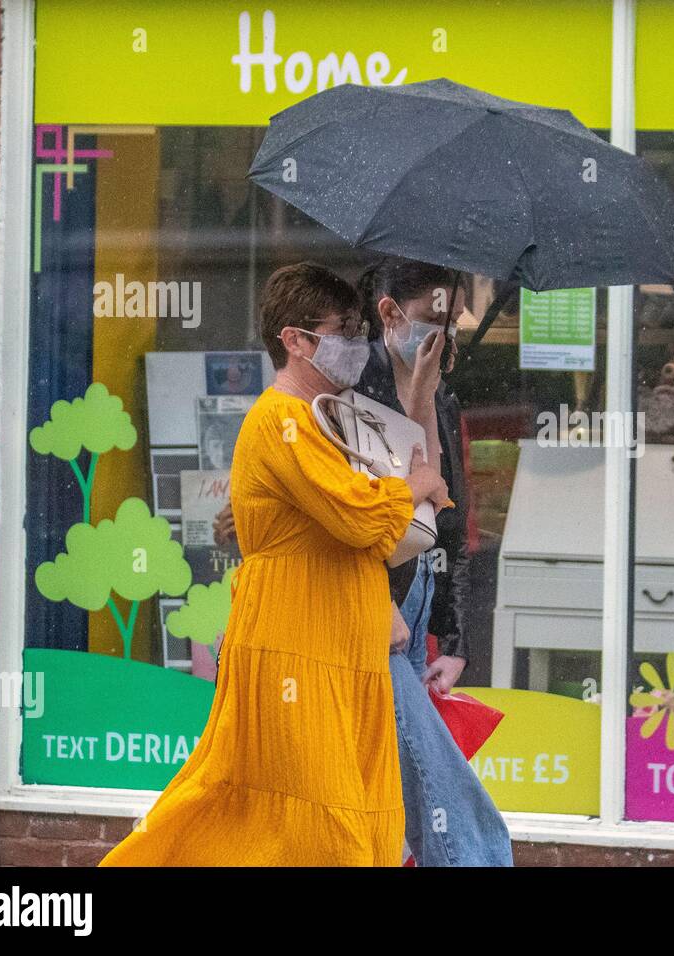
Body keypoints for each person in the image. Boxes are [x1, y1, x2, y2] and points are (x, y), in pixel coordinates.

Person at [100, 262, 448, 866]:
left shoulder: (328, 420)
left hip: (342, 645)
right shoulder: (278, 418)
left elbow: (389, 524)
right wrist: (414, 483)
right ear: (295, 340)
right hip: (295, 641)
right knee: (317, 817)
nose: (354, 345)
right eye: (341, 330)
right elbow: (361, 517)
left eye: (357, 329)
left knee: (351, 812)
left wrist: (421, 403)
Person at [357, 254, 513, 866]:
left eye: (453, 322)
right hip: (376, 601)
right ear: (390, 313)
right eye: (432, 319)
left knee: (396, 790)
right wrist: (376, 604)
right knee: (437, 788)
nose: (443, 337)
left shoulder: (440, 394)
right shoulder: (354, 391)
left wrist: (455, 638)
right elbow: (356, 524)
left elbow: (450, 518)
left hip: (417, 596)